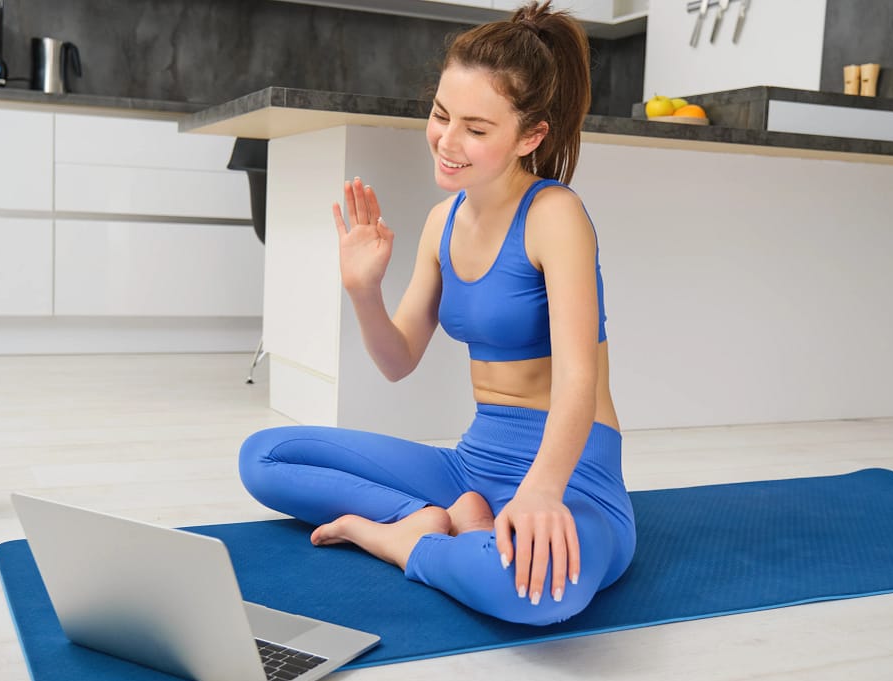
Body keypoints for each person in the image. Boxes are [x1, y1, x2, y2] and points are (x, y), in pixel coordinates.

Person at [239, 1, 635, 626]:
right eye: (441, 115)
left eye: (476, 130)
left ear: (531, 136)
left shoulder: (555, 215)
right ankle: (450, 524)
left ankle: (398, 538)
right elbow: (398, 361)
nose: (448, 142)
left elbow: (579, 381)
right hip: (471, 465)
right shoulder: (440, 225)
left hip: (572, 471)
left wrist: (540, 492)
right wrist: (364, 290)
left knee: (536, 595)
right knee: (264, 457)